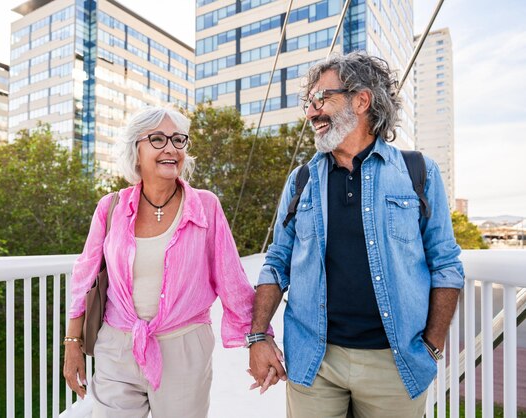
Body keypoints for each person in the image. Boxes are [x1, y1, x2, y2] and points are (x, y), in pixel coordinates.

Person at [247, 52, 464, 417]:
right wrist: (257, 337)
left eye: (322, 98)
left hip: (394, 363)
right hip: (314, 361)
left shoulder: (418, 171)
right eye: (308, 102)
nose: (311, 112)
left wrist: (432, 346)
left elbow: (446, 264)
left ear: (362, 100)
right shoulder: (301, 181)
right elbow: (277, 261)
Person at [63, 106, 262, 417]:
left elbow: (231, 279)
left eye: (178, 140)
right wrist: (72, 343)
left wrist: (258, 341)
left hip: (184, 348)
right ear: (136, 150)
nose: (171, 148)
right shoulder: (110, 208)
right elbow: (84, 279)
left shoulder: (205, 207)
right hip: (117, 346)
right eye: (157, 139)